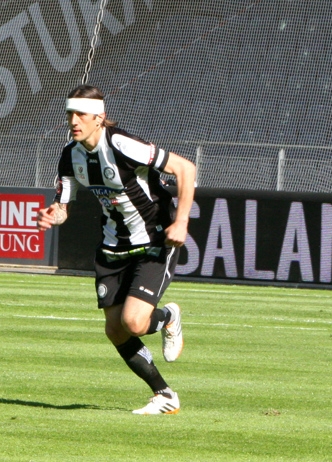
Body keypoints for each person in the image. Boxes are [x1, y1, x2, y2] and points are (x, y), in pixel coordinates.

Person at [36, 85, 196, 415]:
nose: (74, 121)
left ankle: (168, 317)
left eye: (81, 114)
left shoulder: (120, 144)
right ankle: (164, 394)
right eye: (70, 114)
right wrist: (56, 214)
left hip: (153, 242)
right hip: (112, 247)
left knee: (134, 322)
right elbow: (64, 205)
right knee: (114, 329)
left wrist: (181, 222)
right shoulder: (70, 154)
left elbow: (186, 169)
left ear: (99, 117)